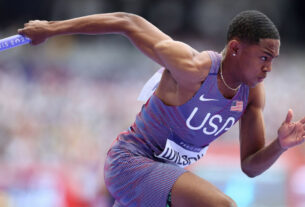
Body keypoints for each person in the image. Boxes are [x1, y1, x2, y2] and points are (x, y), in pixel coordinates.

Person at [18, 10, 305, 207]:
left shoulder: (252, 94)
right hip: (131, 161)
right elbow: (126, 21)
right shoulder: (191, 68)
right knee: (223, 205)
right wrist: (50, 29)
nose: (269, 68)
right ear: (235, 48)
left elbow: (250, 166)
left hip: (163, 174)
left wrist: (279, 145)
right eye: (264, 57)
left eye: (274, 60)